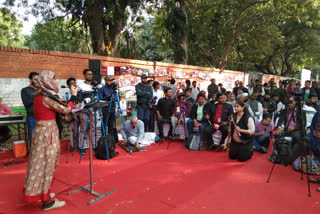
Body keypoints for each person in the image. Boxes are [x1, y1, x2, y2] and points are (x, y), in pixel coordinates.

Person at [24, 70, 78, 210]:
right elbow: (65, 109)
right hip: (48, 134)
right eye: (53, 79)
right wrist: (73, 96)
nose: (55, 82)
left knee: (40, 164)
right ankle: (47, 201)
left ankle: (43, 193)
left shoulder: (39, 95)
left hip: (41, 132)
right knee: (48, 165)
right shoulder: (46, 97)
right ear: (46, 81)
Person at [276, 96, 306, 164]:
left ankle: (291, 158)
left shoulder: (301, 112)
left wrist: (294, 128)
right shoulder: (284, 111)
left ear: (295, 102)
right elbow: (280, 121)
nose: (289, 104)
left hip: (296, 130)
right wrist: (279, 127)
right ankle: (281, 155)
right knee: (277, 135)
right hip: (287, 130)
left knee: (298, 138)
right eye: (288, 103)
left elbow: (303, 124)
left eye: (291, 102)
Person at [78, 69, 96, 151]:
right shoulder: (81, 86)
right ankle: (83, 146)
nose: (90, 76)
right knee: (83, 129)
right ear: (84, 75)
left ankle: (93, 144)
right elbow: (79, 99)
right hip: (84, 111)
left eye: (91, 74)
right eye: (88, 74)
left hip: (93, 110)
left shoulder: (95, 86)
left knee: (93, 128)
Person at [62, 77, 81, 151]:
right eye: (71, 83)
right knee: (74, 131)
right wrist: (74, 106)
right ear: (68, 85)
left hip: (80, 114)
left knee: (81, 131)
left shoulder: (79, 93)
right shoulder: (66, 95)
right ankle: (74, 146)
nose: (74, 85)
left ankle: (81, 145)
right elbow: (65, 107)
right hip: (72, 116)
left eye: (74, 83)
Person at [21, 72, 39, 147]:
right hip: (32, 117)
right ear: (30, 80)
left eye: (38, 79)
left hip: (42, 117)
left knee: (41, 137)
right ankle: (33, 155)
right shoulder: (25, 90)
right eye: (35, 79)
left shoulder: (41, 90)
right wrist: (36, 95)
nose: (37, 81)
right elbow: (26, 103)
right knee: (33, 137)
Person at [99, 75, 118, 142]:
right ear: (106, 81)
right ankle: (103, 139)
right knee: (104, 124)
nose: (111, 82)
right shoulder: (102, 89)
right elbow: (101, 99)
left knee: (111, 125)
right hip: (105, 108)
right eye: (109, 80)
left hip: (112, 108)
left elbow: (116, 98)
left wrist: (115, 97)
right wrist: (108, 96)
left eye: (111, 80)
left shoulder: (113, 89)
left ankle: (111, 140)